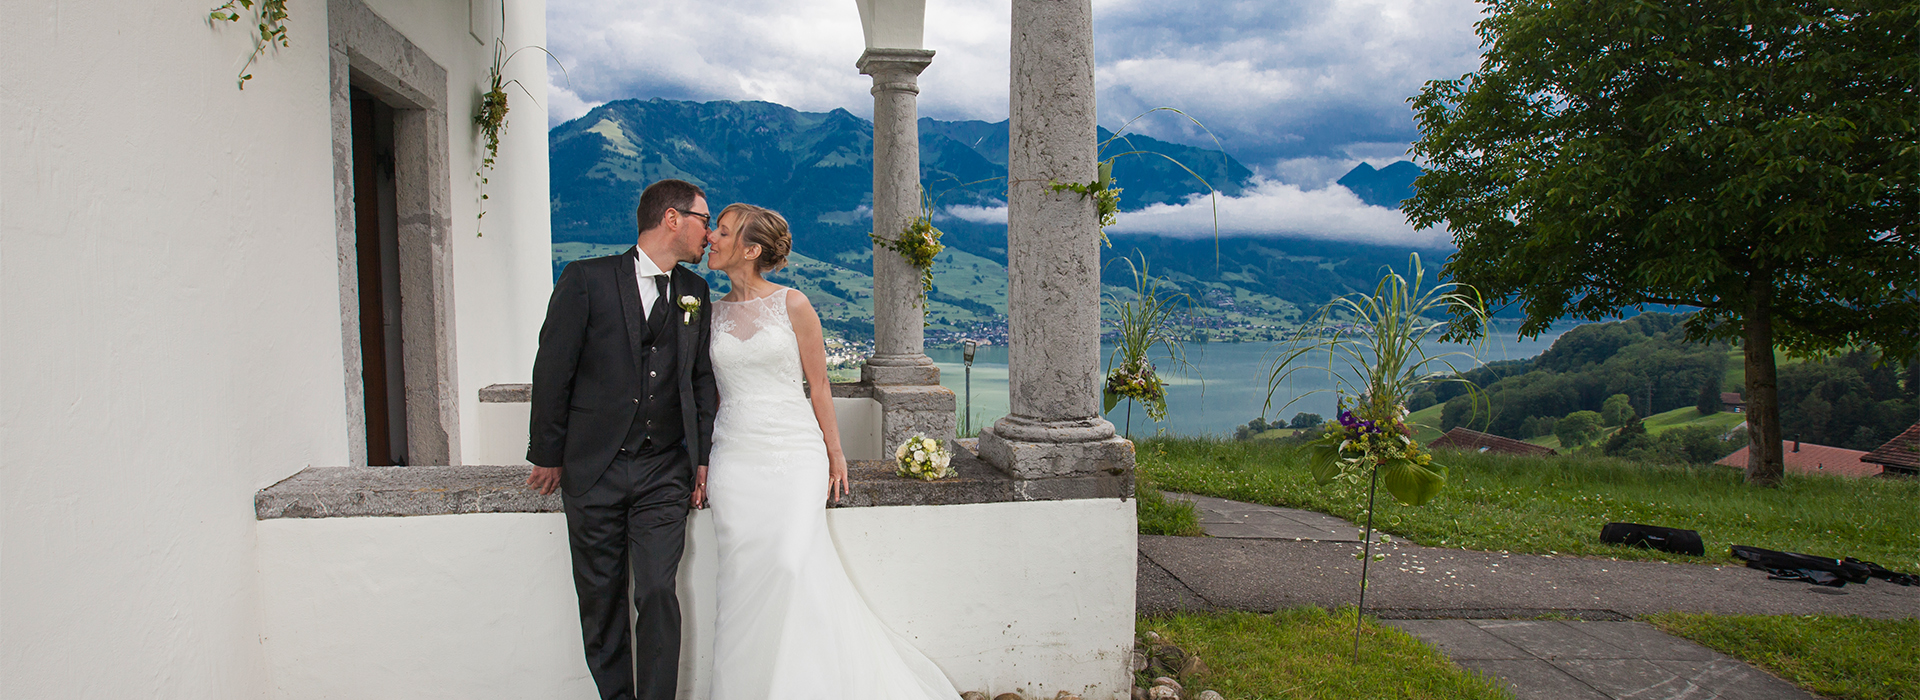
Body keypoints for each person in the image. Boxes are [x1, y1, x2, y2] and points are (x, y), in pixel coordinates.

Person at [700, 203, 959, 699]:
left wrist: (834, 453)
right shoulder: (711, 314)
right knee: (739, 578)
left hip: (795, 453)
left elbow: (820, 386)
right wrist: (703, 458)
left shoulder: (793, 304)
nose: (712, 236)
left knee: (790, 561)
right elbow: (707, 394)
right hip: (735, 453)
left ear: (751, 250)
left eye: (724, 231)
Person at [525, 179, 718, 700]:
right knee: (601, 599)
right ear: (672, 219)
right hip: (593, 469)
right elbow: (553, 369)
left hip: (664, 471)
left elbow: (700, 379)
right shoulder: (585, 279)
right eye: (705, 219)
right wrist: (547, 452)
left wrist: (700, 460)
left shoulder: (695, 293)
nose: (710, 233)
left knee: (657, 590)